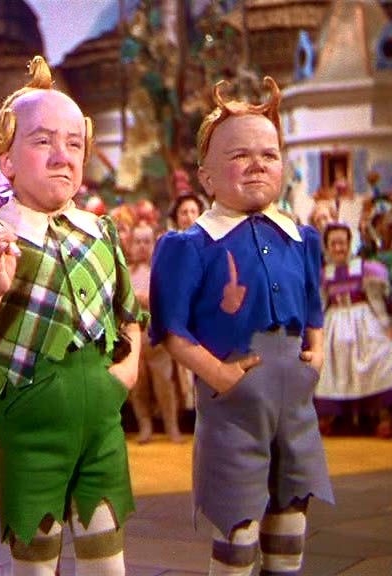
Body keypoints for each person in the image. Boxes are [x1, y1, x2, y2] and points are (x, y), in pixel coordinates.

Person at [0, 56, 145, 575]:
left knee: (108, 563)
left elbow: (130, 313)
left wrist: (128, 370)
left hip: (102, 432)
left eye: (74, 144)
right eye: (43, 141)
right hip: (30, 439)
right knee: (35, 562)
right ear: (6, 159)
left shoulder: (100, 232)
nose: (61, 156)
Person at [150, 76, 334, 575]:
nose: (257, 164)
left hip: (295, 409)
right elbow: (171, 329)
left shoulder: (300, 238)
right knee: (237, 522)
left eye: (269, 154)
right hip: (232, 411)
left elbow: (313, 305)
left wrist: (316, 353)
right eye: (239, 155)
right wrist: (219, 374)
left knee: (292, 512)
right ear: (206, 176)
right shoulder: (191, 245)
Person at [315, 222, 392, 437]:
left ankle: (382, 416)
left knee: (381, 357)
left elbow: (377, 302)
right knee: (332, 365)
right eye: (333, 244)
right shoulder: (324, 275)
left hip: (363, 323)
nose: (338, 248)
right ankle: (332, 417)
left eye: (342, 243)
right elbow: (320, 306)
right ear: (327, 247)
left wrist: (386, 326)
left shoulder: (365, 269)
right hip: (334, 325)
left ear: (349, 244)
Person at [128, 219, 183, 443]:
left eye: (147, 241)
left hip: (157, 335)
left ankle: (172, 426)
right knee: (138, 384)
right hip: (133, 337)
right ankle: (145, 425)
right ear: (130, 245)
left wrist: (149, 299)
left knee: (164, 383)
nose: (142, 246)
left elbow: (170, 300)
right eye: (138, 242)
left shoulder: (160, 271)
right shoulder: (126, 272)